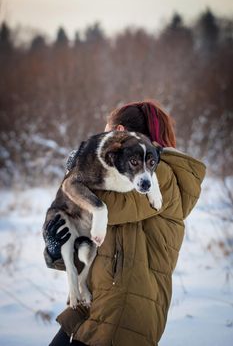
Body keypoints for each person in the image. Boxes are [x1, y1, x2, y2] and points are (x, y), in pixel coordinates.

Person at [43, 100, 206, 346]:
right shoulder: (121, 173)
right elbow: (91, 238)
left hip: (124, 315)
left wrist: (80, 167)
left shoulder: (156, 177)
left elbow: (94, 203)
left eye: (105, 132)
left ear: (118, 133)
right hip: (91, 306)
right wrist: (58, 249)